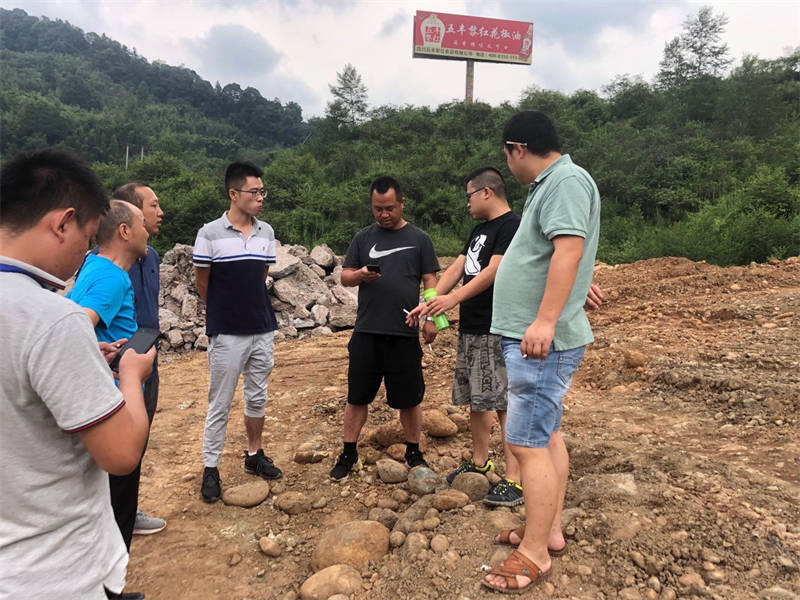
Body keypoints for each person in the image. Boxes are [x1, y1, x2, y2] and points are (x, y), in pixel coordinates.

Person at [0, 149, 154, 599]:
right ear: (63, 223)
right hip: (54, 569)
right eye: (87, 239)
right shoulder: (51, 318)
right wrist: (131, 374)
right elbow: (121, 454)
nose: (85, 255)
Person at [482, 110, 601, 593]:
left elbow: (570, 249)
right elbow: (555, 252)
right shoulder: (551, 184)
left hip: (540, 342)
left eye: (507, 155)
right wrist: (573, 291)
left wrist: (547, 318)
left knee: (527, 444)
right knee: (546, 437)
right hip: (536, 337)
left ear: (517, 148)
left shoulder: (565, 182)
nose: (509, 164)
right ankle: (546, 531)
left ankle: (533, 553)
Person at [329, 176, 440, 481]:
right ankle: (348, 452)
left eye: (389, 208)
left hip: (405, 331)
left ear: (402, 203)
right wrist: (361, 275)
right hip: (367, 331)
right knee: (357, 397)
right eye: (378, 209)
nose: (383, 214)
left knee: (410, 399)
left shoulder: (420, 239)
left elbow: (430, 280)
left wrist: (432, 318)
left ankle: (414, 451)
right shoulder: (363, 238)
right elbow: (345, 277)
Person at [193, 161, 282, 503]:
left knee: (257, 396)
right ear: (233, 193)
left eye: (262, 192)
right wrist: (225, 311)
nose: (260, 198)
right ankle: (210, 468)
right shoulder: (209, 234)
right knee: (220, 401)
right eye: (254, 192)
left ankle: (254, 454)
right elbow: (203, 283)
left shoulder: (266, 232)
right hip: (227, 331)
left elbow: (260, 276)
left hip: (261, 327)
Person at [68, 199, 151, 554]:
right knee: (119, 498)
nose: (148, 231)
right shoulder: (113, 277)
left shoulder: (93, 264)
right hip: (113, 403)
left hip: (102, 393)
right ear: (125, 231)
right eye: (142, 222)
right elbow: (73, 327)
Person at [109, 182, 166, 536]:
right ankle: (115, 524)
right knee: (117, 449)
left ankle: (126, 515)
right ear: (129, 218)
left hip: (147, 367)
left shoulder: (153, 257)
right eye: (153, 206)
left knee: (137, 445)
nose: (160, 213)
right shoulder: (108, 265)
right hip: (118, 374)